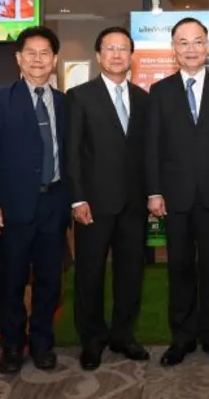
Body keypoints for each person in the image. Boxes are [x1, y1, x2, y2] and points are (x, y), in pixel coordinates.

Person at [146, 17, 209, 368]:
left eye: (197, 41)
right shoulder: (160, 91)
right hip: (175, 197)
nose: (191, 49)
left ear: (207, 46)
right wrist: (154, 191)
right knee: (179, 269)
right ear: (173, 49)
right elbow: (152, 145)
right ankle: (182, 338)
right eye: (183, 42)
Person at [0, 26, 70, 373]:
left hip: (54, 204)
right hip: (13, 206)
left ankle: (43, 343)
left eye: (45, 53)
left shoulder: (64, 102)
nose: (37, 60)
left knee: (50, 281)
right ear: (18, 58)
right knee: (12, 281)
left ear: (54, 60)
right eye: (30, 53)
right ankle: (12, 346)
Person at [66, 27, 150, 370]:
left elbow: (147, 152)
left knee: (131, 273)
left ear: (131, 56)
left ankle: (123, 335)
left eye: (123, 48)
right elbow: (72, 152)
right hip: (94, 204)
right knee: (90, 273)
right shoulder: (79, 96)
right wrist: (77, 199)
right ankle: (92, 339)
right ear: (98, 55)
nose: (117, 54)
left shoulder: (143, 99)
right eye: (110, 48)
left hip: (134, 204)